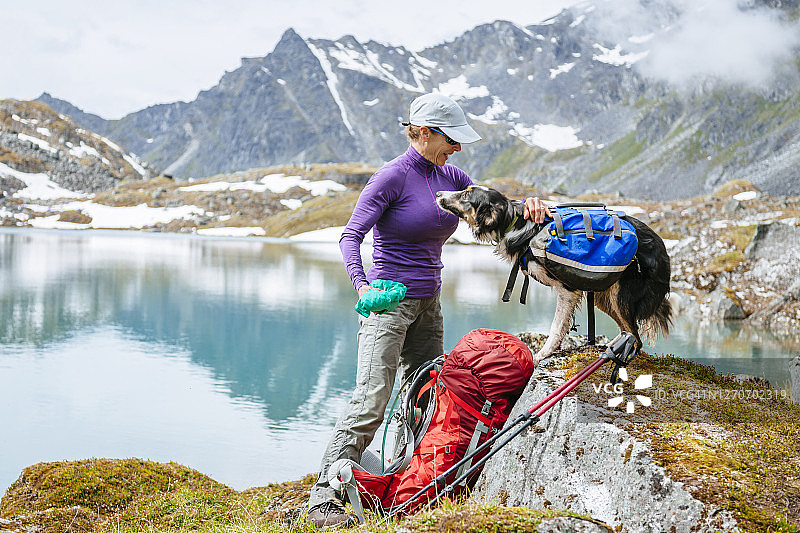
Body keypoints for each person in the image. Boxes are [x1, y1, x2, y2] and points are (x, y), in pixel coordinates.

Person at [306, 93, 549, 528]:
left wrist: (529, 206)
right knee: (372, 400)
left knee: (426, 395)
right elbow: (350, 238)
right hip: (387, 306)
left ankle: (406, 481)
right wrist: (363, 288)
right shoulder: (391, 178)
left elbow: (493, 209)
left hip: (429, 305)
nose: (457, 149)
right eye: (450, 139)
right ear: (423, 132)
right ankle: (324, 495)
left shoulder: (450, 175)